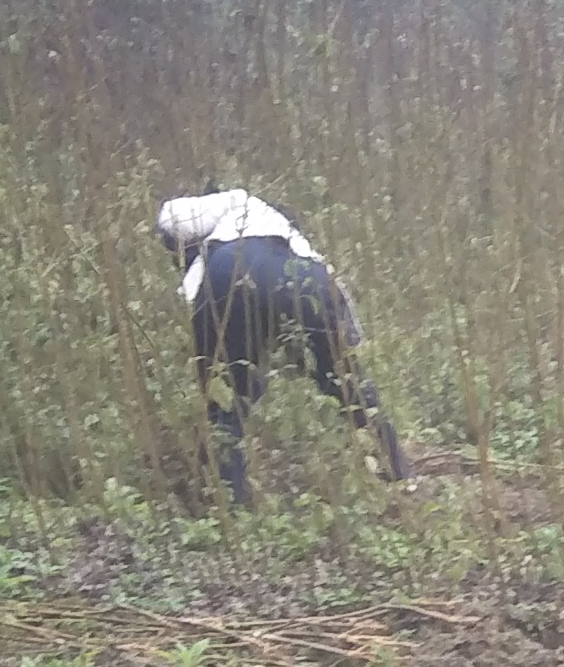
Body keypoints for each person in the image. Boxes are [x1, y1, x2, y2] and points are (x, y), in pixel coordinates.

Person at [155, 188, 406, 506]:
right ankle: (397, 475)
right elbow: (341, 316)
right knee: (350, 387)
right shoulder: (303, 251)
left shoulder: (239, 202)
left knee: (227, 399)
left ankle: (230, 505)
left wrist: (183, 254)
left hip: (225, 273)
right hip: (304, 281)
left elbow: (171, 216)